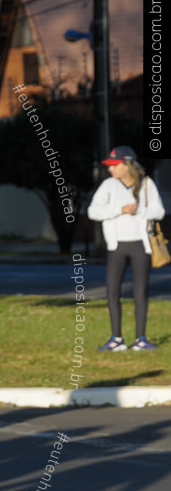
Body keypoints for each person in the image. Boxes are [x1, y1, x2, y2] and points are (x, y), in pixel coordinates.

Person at [88, 146, 165, 351]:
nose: (111, 169)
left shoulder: (147, 184)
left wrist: (138, 209)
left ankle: (141, 339)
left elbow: (159, 211)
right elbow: (93, 211)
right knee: (112, 291)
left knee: (141, 292)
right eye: (110, 165)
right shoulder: (108, 185)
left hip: (141, 246)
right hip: (117, 246)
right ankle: (117, 338)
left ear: (126, 165)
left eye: (115, 165)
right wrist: (119, 210)